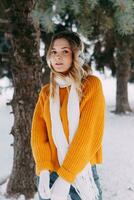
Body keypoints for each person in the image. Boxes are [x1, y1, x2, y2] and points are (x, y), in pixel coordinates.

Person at [31, 31, 105, 200]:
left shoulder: (90, 86)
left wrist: (66, 177)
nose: (58, 57)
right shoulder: (46, 93)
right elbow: (38, 135)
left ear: (76, 55)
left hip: (81, 172)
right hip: (50, 174)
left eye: (65, 51)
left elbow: (88, 136)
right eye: (54, 52)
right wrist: (43, 170)